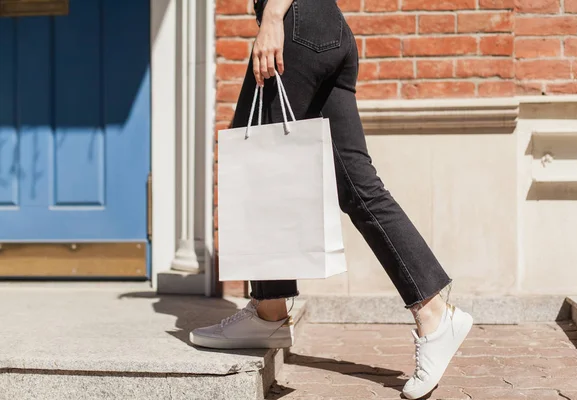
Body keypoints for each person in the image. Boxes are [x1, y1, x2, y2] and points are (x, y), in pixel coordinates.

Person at [191, 0, 473, 398]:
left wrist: (272, 18)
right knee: (358, 185)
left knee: (258, 159)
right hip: (323, 26)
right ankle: (432, 311)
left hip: (296, 24)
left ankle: (270, 310)